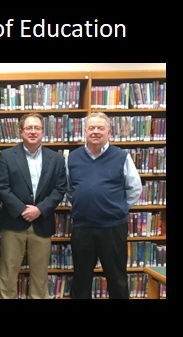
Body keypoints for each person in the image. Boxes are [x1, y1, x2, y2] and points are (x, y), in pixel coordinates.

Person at [67, 112, 142, 299]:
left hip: (113, 228)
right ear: (85, 131)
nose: (95, 132)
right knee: (81, 279)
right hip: (82, 227)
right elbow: (69, 189)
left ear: (109, 132)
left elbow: (134, 188)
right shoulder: (72, 157)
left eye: (100, 128)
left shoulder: (122, 156)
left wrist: (119, 208)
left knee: (117, 278)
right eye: (91, 128)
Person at [0, 113, 67, 299]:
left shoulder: (56, 159)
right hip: (14, 223)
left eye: (37, 128)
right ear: (21, 132)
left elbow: (60, 189)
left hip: (42, 222)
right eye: (29, 128)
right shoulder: (7, 156)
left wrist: (40, 209)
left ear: (43, 132)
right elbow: (1, 186)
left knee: (40, 275)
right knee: (9, 272)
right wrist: (22, 210)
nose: (33, 131)